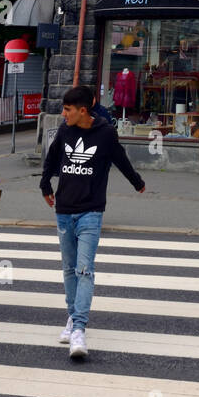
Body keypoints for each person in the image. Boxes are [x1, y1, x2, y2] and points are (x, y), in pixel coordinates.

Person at [41, 84, 146, 361]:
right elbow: (52, 160)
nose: (63, 114)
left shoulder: (105, 133)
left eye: (67, 110)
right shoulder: (65, 132)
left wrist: (137, 182)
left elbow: (120, 159)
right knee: (68, 269)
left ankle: (79, 329)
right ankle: (72, 316)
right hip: (64, 210)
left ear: (82, 110)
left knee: (84, 270)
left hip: (91, 211)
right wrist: (44, 185)